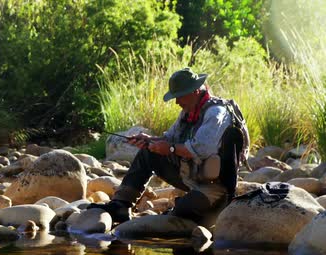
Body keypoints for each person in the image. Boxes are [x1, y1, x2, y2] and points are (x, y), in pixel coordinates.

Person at [90, 67, 249, 224]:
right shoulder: (189, 111)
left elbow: (200, 149)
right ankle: (121, 205)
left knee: (180, 213)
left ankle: (202, 209)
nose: (177, 101)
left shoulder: (216, 113)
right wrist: (149, 140)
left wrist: (170, 148)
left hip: (216, 188)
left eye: (179, 96)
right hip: (193, 178)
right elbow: (170, 138)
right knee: (148, 153)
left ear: (194, 91)